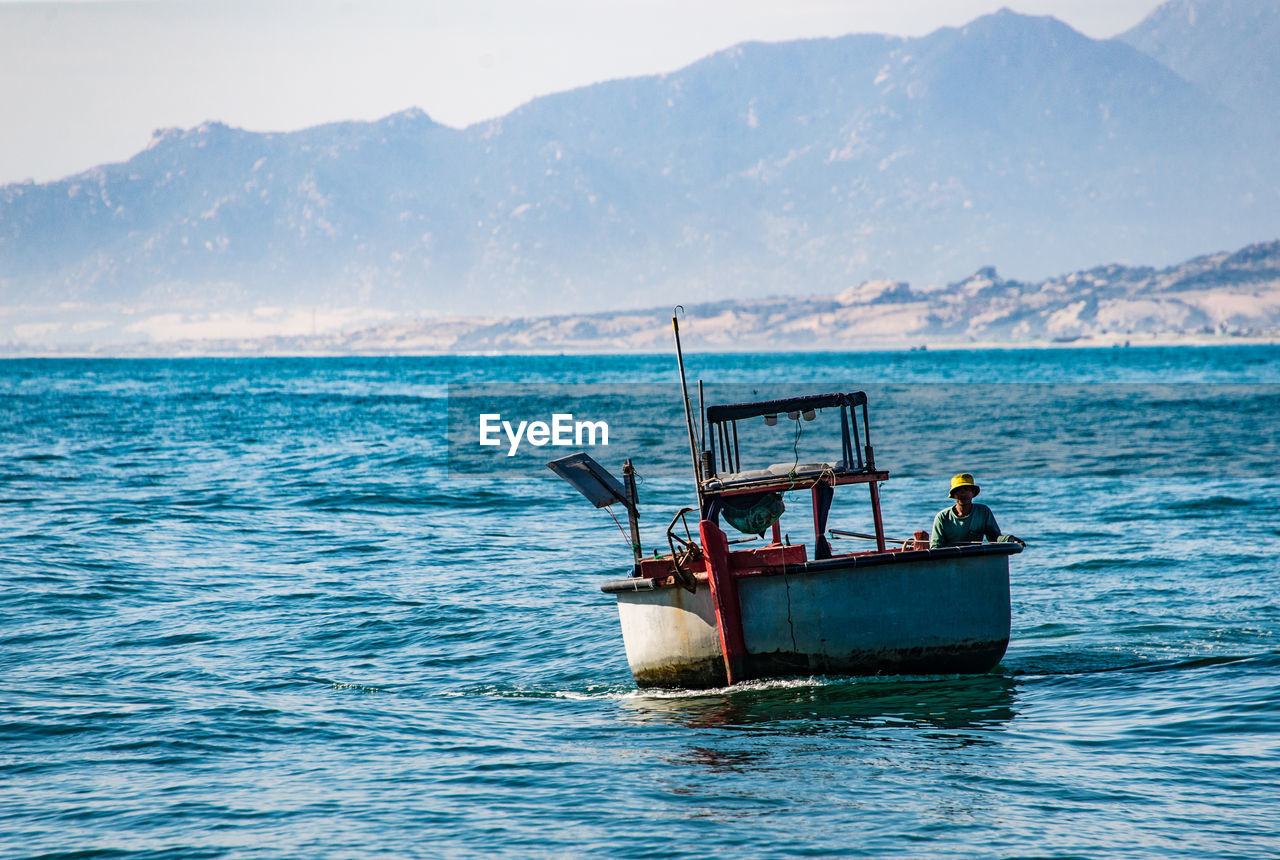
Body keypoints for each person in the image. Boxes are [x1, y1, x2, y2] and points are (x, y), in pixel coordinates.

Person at [930, 473, 1024, 548]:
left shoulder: (983, 512)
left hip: (974, 560)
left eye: (966, 489)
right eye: (958, 490)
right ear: (953, 495)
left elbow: (994, 538)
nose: (963, 494)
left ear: (973, 493)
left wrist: (1010, 539)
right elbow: (935, 546)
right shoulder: (942, 517)